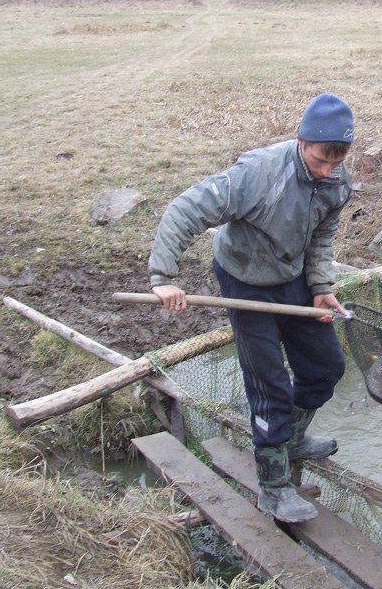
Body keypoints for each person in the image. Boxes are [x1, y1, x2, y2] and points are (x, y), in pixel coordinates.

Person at [148, 93, 355, 523]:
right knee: (269, 383)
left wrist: (320, 287)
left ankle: (291, 438)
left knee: (326, 366)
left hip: (293, 275)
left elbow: (321, 236)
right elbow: (186, 209)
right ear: (301, 141)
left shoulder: (337, 179)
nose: (327, 171)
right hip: (244, 279)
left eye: (336, 162)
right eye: (320, 160)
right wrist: (164, 277)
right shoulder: (258, 173)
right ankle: (274, 486)